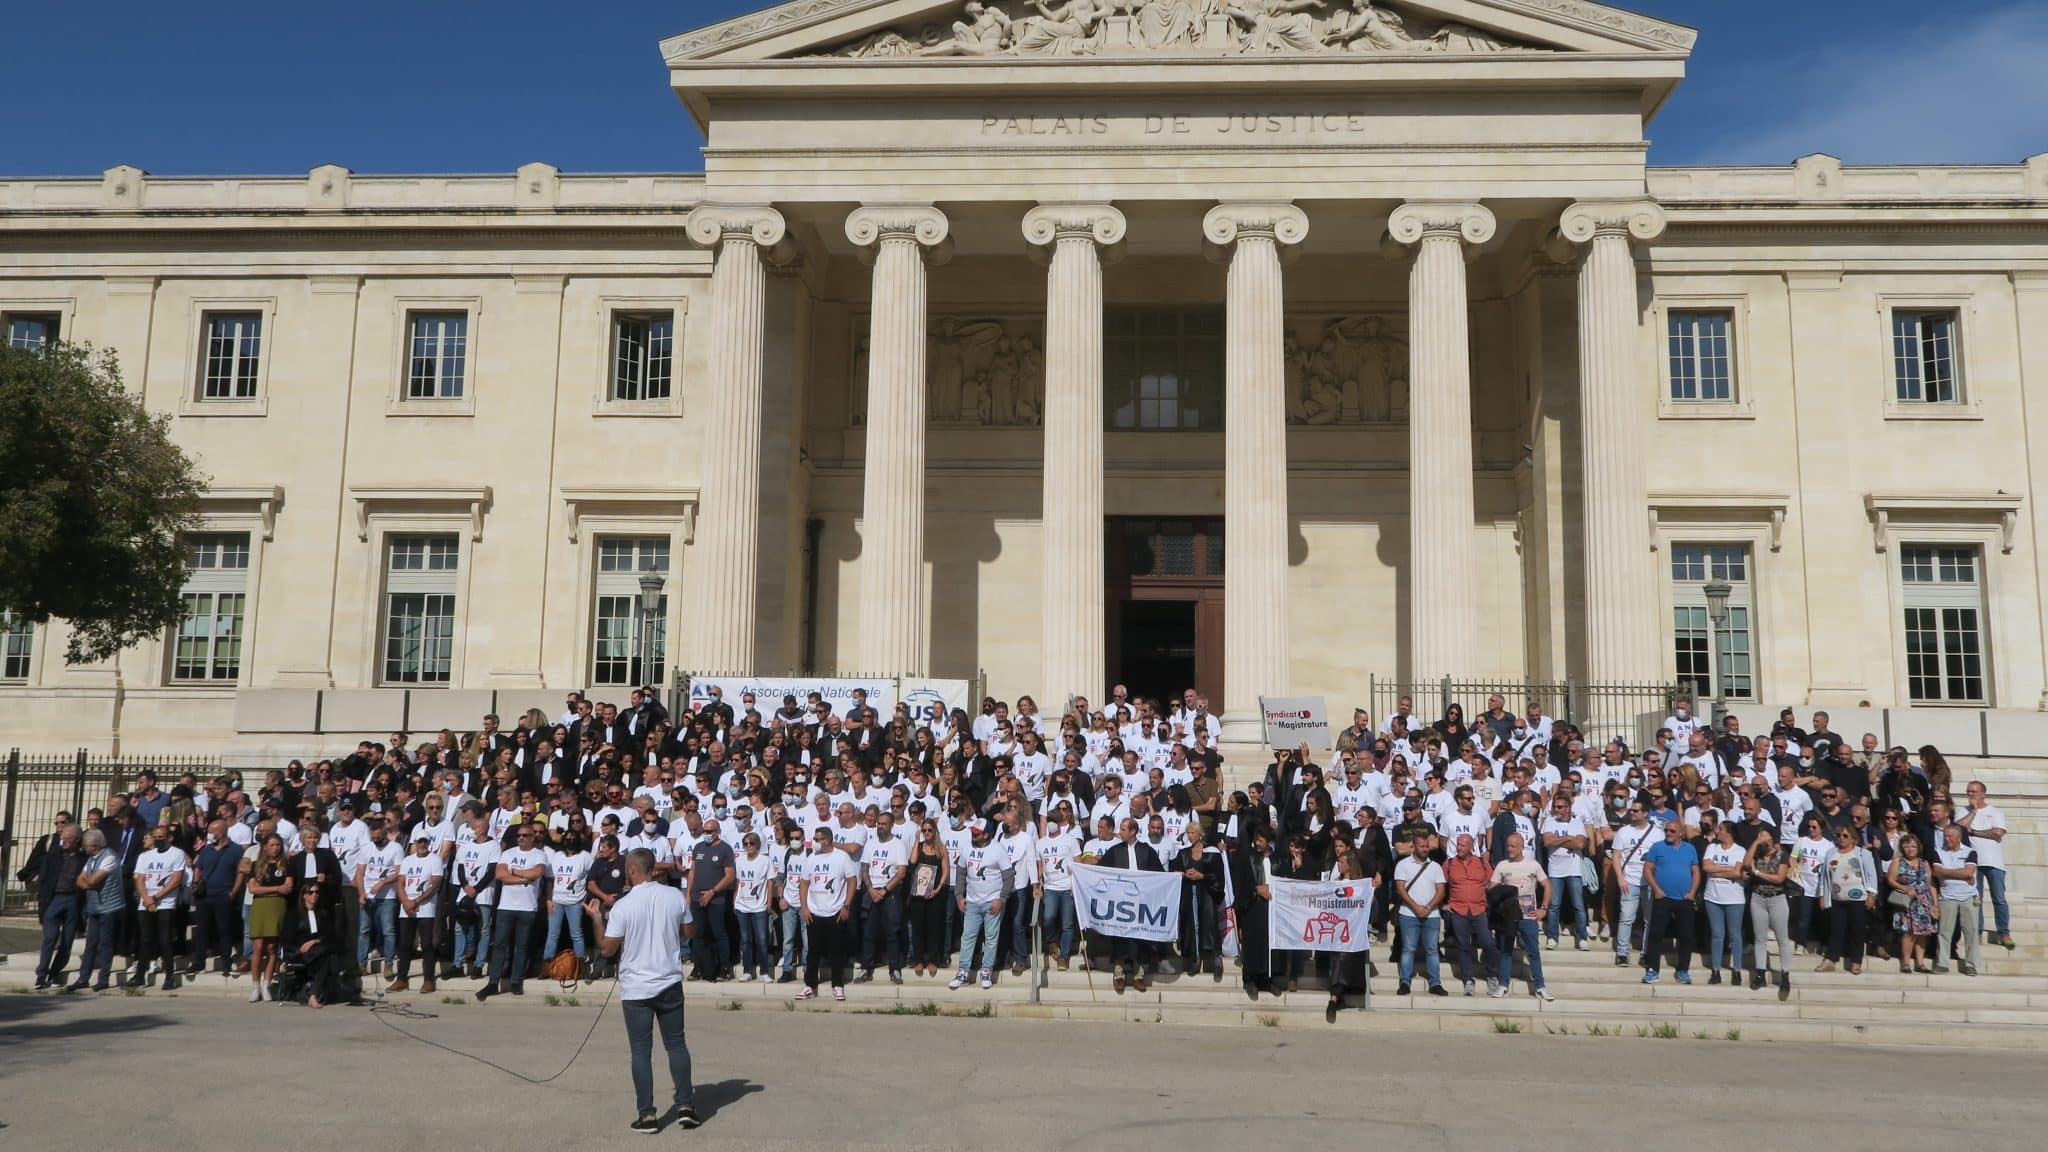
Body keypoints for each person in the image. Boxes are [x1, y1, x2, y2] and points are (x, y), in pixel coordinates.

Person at [600, 848, 700, 1134]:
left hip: (637, 988)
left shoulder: (623, 905)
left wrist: (596, 920)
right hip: (668, 981)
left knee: (641, 1051)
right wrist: (673, 932)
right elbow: (689, 931)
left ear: (632, 870)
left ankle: (647, 1115)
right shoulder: (674, 896)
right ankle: (686, 1106)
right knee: (676, 1045)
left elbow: (608, 948)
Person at [478, 821, 547, 1001]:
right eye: (519, 836)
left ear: (533, 837)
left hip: (527, 907)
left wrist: (514, 872)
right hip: (506, 906)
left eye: (526, 835)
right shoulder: (508, 853)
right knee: (500, 944)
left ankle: (516, 980)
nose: (522, 838)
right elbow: (500, 875)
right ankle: (493, 982)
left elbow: (536, 873)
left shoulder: (539, 854)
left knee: (521, 946)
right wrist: (522, 879)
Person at [1488, 833, 1554, 1001]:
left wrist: (1543, 909)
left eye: (1513, 846)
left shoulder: (1533, 865)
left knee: (1533, 952)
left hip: (1528, 915)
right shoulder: (1502, 865)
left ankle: (1540, 986)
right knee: (1506, 951)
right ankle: (1503, 985)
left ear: (1521, 848)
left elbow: (1547, 885)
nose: (1509, 849)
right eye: (1508, 846)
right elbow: (1492, 889)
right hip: (1508, 916)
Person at [798, 825, 860, 1001]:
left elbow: (852, 880)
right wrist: (804, 907)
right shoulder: (811, 858)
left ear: (826, 840)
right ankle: (810, 986)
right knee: (813, 951)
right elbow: (803, 883)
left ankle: (837, 985)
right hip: (814, 912)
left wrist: (846, 905)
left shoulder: (842, 857)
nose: (815, 842)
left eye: (817, 839)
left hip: (835, 912)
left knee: (837, 951)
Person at [1640, 816, 1699, 986]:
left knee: (1686, 936)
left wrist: (1693, 892)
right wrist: (1657, 889)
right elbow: (1648, 869)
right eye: (1666, 830)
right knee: (1656, 934)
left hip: (1684, 899)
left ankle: (1683, 970)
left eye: (1672, 831)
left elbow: (1696, 871)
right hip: (1663, 897)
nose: (1668, 833)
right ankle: (1652, 970)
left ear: (1681, 833)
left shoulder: (1690, 849)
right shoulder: (1657, 847)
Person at [25, 820, 84, 989]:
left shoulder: (83, 859)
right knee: (49, 938)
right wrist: (43, 904)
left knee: (67, 941)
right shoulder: (53, 856)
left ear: (77, 840)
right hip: (54, 899)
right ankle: (41, 975)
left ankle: (54, 972)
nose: (64, 841)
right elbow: (43, 880)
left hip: (73, 900)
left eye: (68, 839)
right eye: (63, 838)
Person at [130, 822, 189, 990]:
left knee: (165, 940)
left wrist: (156, 896)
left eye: (161, 838)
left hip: (166, 902)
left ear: (169, 838)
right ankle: (139, 976)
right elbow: (139, 878)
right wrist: (146, 898)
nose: (157, 840)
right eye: (155, 838)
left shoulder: (177, 854)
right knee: (145, 939)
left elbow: (176, 880)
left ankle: (169, 977)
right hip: (146, 902)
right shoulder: (145, 856)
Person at [1960, 781, 2014, 949]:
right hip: (1972, 863)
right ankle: (1977, 932)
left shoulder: (1995, 812)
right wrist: (1974, 811)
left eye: (1974, 792)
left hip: (1993, 862)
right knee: (1976, 899)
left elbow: (1998, 833)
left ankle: (2004, 932)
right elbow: (1958, 828)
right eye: (1969, 792)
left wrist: (1974, 832)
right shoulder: (1963, 811)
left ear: (1983, 793)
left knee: (1999, 898)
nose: (1971, 795)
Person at [1817, 824, 1877, 974]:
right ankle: (1831, 959)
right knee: (1836, 930)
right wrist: (1822, 895)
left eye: (1845, 836)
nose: (1841, 839)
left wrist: (1872, 895)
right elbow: (1824, 876)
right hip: (1837, 898)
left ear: (1853, 839)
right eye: (1839, 836)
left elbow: (1871, 875)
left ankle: (1856, 961)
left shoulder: (1863, 854)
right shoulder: (1831, 853)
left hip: (1858, 898)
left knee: (1857, 931)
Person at [1393, 832, 1447, 997]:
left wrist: (1429, 906)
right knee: (1408, 949)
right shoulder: (1403, 865)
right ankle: (1405, 981)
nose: (1425, 849)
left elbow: (1441, 890)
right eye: (1422, 846)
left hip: (1432, 914)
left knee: (1432, 950)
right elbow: (1400, 888)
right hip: (1408, 913)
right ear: (1414, 847)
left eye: (1427, 846)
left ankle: (1435, 982)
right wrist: (1415, 906)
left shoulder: (1435, 866)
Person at [1442, 832, 1491, 997]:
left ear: (1471, 847)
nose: (1459, 848)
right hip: (1458, 909)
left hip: (1479, 909)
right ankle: (1468, 979)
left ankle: (1491, 975)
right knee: (1463, 946)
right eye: (1458, 844)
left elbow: (1491, 882)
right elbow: (1440, 884)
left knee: (1487, 942)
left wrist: (1485, 898)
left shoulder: (1482, 863)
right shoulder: (1449, 863)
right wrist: (1444, 904)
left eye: (1463, 845)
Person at [244, 833, 292, 1001]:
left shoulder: (286, 864)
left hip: (277, 906)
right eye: (271, 845)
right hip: (260, 906)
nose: (275, 848)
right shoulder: (256, 865)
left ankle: (267, 984)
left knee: (272, 948)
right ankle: (255, 985)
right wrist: (276, 889)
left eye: (278, 845)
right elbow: (253, 889)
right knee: (257, 947)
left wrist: (273, 889)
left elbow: (288, 888)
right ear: (265, 847)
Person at [392, 831, 442, 993]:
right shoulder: (407, 861)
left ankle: (428, 979)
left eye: (425, 842)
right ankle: (401, 979)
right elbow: (400, 883)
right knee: (404, 944)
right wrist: (406, 902)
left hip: (426, 909)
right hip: (406, 908)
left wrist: (416, 901)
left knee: (427, 945)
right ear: (414, 843)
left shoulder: (435, 859)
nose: (422, 845)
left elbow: (435, 886)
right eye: (419, 842)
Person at [1700, 819, 1747, 985]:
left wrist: (1718, 872)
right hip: (1713, 897)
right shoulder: (1712, 847)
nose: (1717, 831)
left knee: (1735, 935)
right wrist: (1728, 870)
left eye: (1720, 829)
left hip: (1734, 898)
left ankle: (1737, 969)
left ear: (1729, 832)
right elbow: (1706, 867)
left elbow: (1738, 873)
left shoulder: (1740, 850)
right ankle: (1716, 969)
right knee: (1717, 934)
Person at [1930, 823, 1981, 977]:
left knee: (1971, 932)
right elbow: (1937, 872)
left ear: (1959, 837)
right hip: (1947, 896)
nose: (1946, 839)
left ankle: (1971, 964)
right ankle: (1942, 963)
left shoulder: (1971, 852)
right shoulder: (1938, 852)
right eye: (1945, 836)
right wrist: (1962, 873)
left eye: (1950, 836)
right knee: (1944, 932)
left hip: (1968, 896)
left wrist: (1947, 873)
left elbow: (1969, 872)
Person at [1887, 833, 1938, 973]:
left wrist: (1935, 903)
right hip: (1907, 902)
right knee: (1909, 933)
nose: (1910, 849)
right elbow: (1890, 880)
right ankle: (1906, 963)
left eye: (1913, 846)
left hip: (1923, 902)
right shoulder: (1898, 861)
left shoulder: (1924, 863)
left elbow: (1930, 884)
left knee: (1923, 933)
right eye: (1907, 846)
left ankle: (1920, 963)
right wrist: (1905, 888)